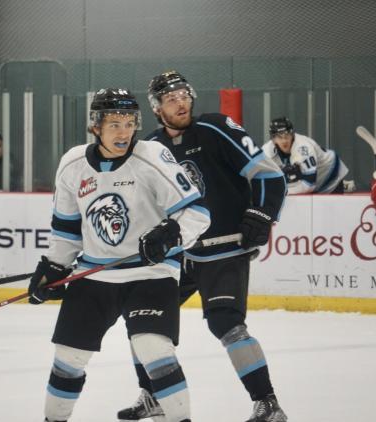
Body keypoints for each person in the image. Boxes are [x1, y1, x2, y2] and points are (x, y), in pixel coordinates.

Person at [28, 88, 211, 422]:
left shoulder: (152, 156)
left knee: (154, 350)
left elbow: (197, 213)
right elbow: (67, 230)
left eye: (129, 122)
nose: (124, 131)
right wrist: (54, 268)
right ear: (96, 126)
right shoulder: (72, 164)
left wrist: (171, 233)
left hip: (151, 274)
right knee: (68, 357)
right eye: (114, 123)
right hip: (94, 275)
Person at [116, 71, 288, 422]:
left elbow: (270, 175)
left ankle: (267, 402)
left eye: (183, 95)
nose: (180, 103)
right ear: (156, 108)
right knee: (143, 318)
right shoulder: (150, 148)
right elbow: (143, 207)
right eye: (170, 99)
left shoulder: (215, 127)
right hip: (181, 254)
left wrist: (262, 213)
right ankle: (154, 396)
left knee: (226, 323)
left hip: (224, 251)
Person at [262, 116, 348, 194]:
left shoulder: (303, 148)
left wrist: (282, 191)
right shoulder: (266, 150)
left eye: (287, 135)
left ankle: (344, 186)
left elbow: (309, 184)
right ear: (273, 139)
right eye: (279, 137)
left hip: (330, 174)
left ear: (292, 135)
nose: (284, 141)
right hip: (311, 181)